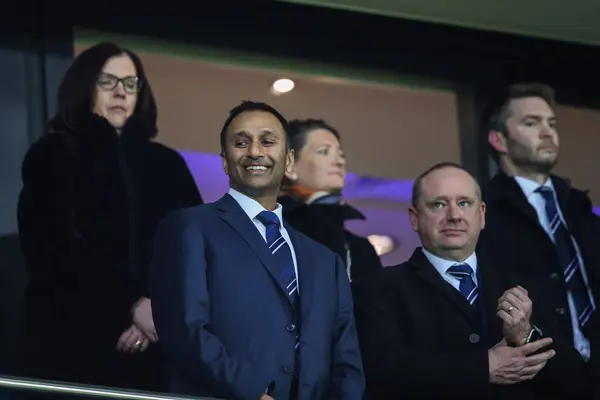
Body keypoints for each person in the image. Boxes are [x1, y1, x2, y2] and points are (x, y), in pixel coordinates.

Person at [17, 42, 203, 391]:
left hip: (158, 353)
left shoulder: (167, 164)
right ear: (85, 86)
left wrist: (157, 309)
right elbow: (52, 248)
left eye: (130, 83)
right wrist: (130, 305)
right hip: (72, 347)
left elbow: (194, 250)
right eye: (108, 81)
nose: (121, 92)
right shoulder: (54, 153)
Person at [149, 101, 365, 400]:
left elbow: (347, 359)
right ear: (225, 161)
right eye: (241, 142)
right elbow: (185, 331)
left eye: (267, 141)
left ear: (289, 161)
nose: (255, 152)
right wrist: (252, 393)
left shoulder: (326, 260)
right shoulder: (190, 227)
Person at [353, 162, 556, 399]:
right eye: (438, 204)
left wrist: (526, 334)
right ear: (414, 218)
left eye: (464, 203)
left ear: (481, 215)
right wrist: (484, 367)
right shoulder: (376, 288)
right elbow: (383, 373)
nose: (454, 216)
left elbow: (570, 380)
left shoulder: (528, 285)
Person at [479, 82, 600, 398]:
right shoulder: (483, 216)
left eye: (551, 123)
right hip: (537, 383)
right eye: (531, 123)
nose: (547, 132)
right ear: (499, 139)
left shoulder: (578, 208)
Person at [278, 118, 382, 282]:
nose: (339, 161)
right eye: (324, 151)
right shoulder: (270, 228)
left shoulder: (359, 247)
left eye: (341, 155)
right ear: (290, 166)